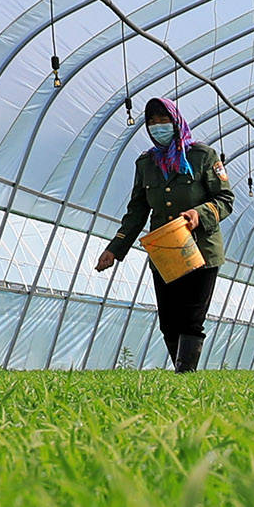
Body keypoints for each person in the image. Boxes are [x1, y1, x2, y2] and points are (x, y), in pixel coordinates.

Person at [95, 95, 235, 371]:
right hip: (165, 250)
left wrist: (200, 214)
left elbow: (225, 199)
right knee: (169, 321)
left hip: (201, 250)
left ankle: (185, 376)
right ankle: (182, 370)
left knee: (191, 318)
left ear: (176, 122)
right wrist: (115, 249)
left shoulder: (203, 156)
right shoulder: (146, 164)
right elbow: (137, 212)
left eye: (164, 121)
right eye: (153, 123)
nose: (159, 127)